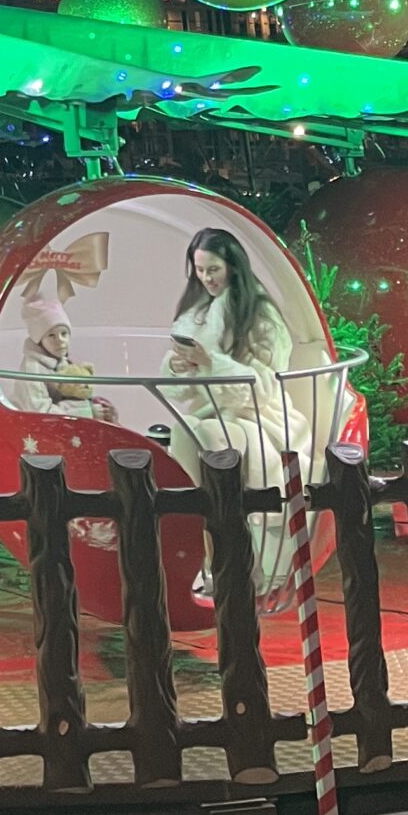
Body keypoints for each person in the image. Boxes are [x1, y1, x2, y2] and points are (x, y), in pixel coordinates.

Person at [158, 225, 305, 596]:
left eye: (213, 270)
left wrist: (213, 365)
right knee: (186, 429)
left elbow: (265, 387)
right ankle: (206, 549)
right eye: (200, 270)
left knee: (208, 435)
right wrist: (182, 366)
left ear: (233, 267)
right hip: (218, 413)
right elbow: (190, 394)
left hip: (262, 417)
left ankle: (228, 557)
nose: (206, 279)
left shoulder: (262, 316)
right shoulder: (199, 316)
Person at [0, 294, 118, 421]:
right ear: (39, 340)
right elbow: (41, 412)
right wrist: (88, 412)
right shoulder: (32, 370)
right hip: (28, 429)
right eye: (51, 336)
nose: (60, 340)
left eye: (64, 334)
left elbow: (75, 395)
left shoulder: (65, 361)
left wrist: (101, 409)